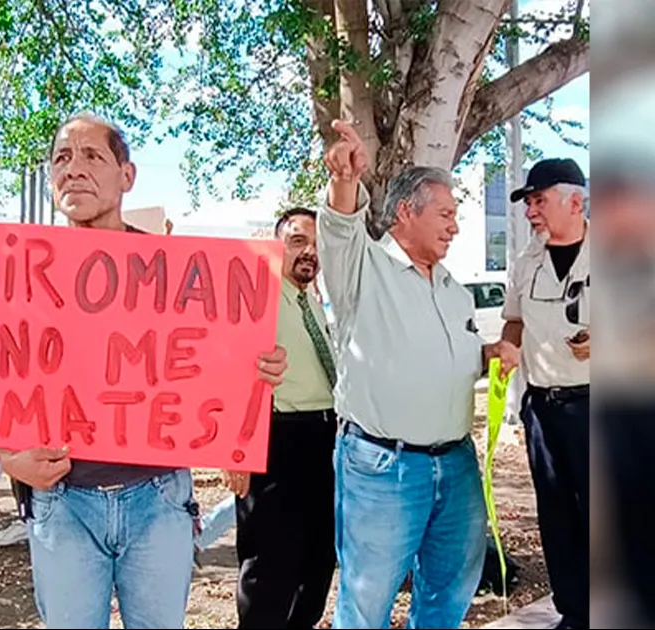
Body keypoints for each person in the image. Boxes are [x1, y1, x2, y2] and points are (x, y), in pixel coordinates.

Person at [0, 112, 288, 629]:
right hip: (61, 502)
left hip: (159, 498)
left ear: (128, 175)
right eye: (62, 158)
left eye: (92, 156)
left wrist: (259, 373)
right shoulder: (21, 274)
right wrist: (10, 460)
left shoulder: (175, 270)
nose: (73, 169)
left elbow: (219, 367)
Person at [318, 120, 519, 629]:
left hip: (456, 465)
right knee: (367, 601)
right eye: (446, 214)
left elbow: (449, 356)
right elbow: (340, 225)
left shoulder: (455, 290)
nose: (455, 227)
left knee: (450, 589)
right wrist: (345, 179)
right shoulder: (362, 269)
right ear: (406, 211)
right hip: (383, 467)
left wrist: (490, 351)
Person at [223, 206, 338, 629]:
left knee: (319, 559)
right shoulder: (255, 299)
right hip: (275, 440)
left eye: (315, 243)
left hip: (324, 439)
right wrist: (234, 449)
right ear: (276, 247)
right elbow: (227, 370)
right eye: (297, 241)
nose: (308, 251)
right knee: (271, 564)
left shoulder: (314, 301)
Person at [500, 158, 590, 629]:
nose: (531, 211)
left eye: (539, 200)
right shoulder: (524, 263)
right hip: (543, 411)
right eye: (528, 202)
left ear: (575, 201)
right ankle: (575, 614)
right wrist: (509, 345)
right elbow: (514, 318)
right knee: (557, 518)